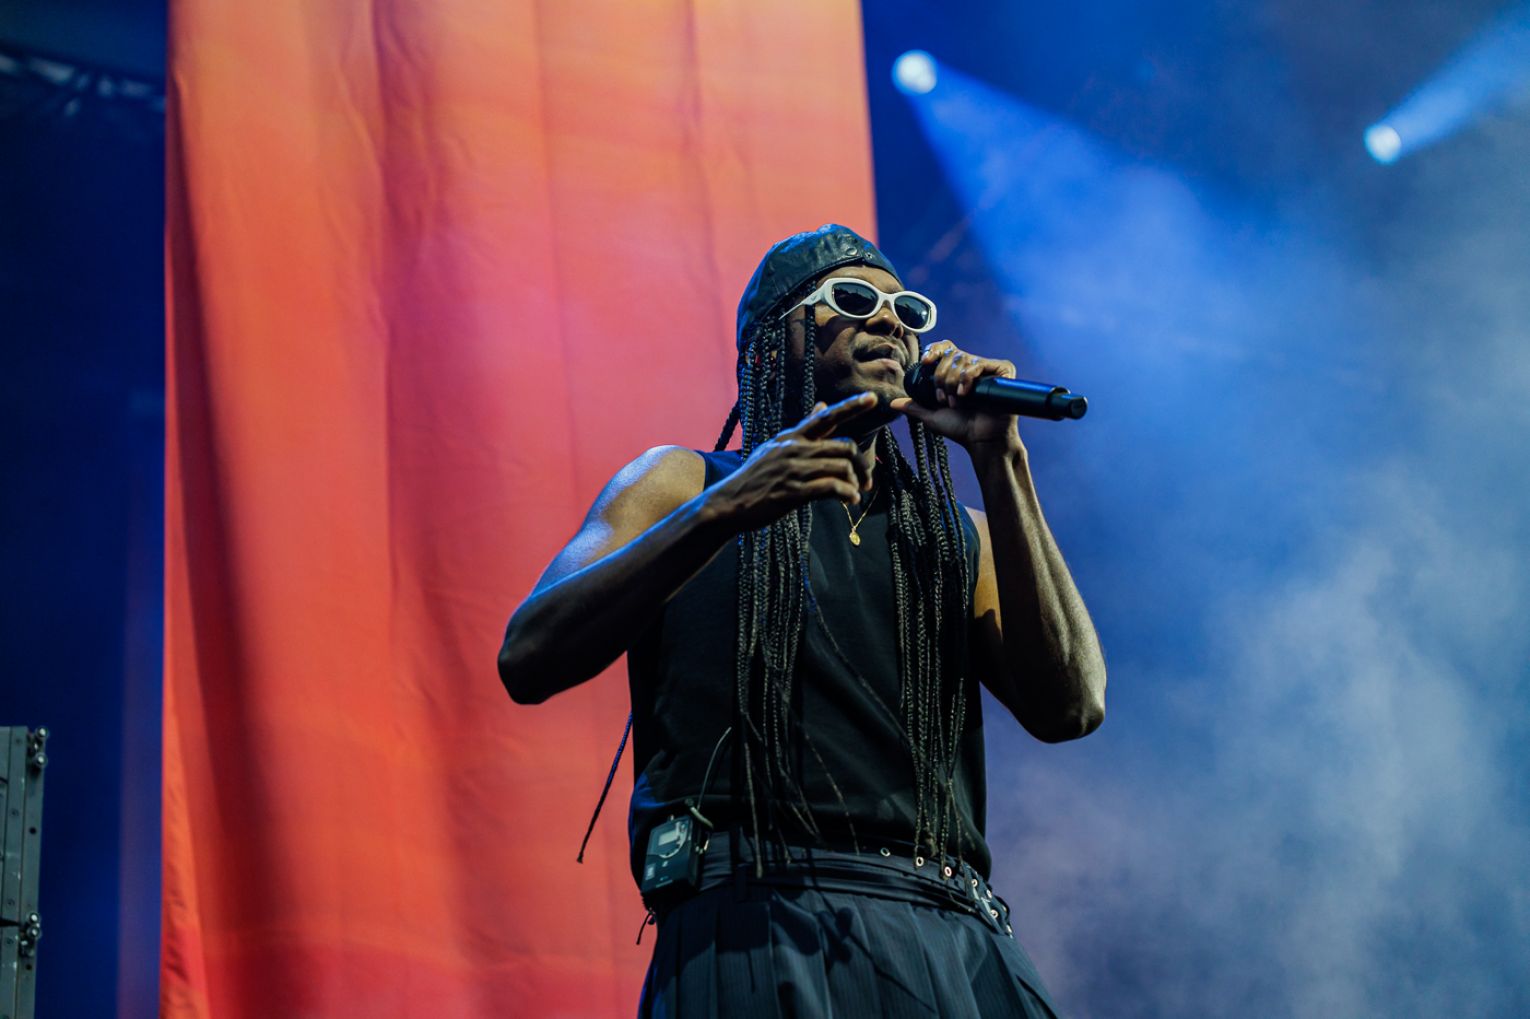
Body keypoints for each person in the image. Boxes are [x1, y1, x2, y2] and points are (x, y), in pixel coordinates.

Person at [498, 224, 1106, 1017]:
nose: (888, 320)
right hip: (756, 917)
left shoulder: (957, 533)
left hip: (948, 930)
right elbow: (529, 655)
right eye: (850, 300)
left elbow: (1073, 706)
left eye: (907, 311)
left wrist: (1002, 460)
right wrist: (721, 511)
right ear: (769, 343)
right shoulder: (683, 483)